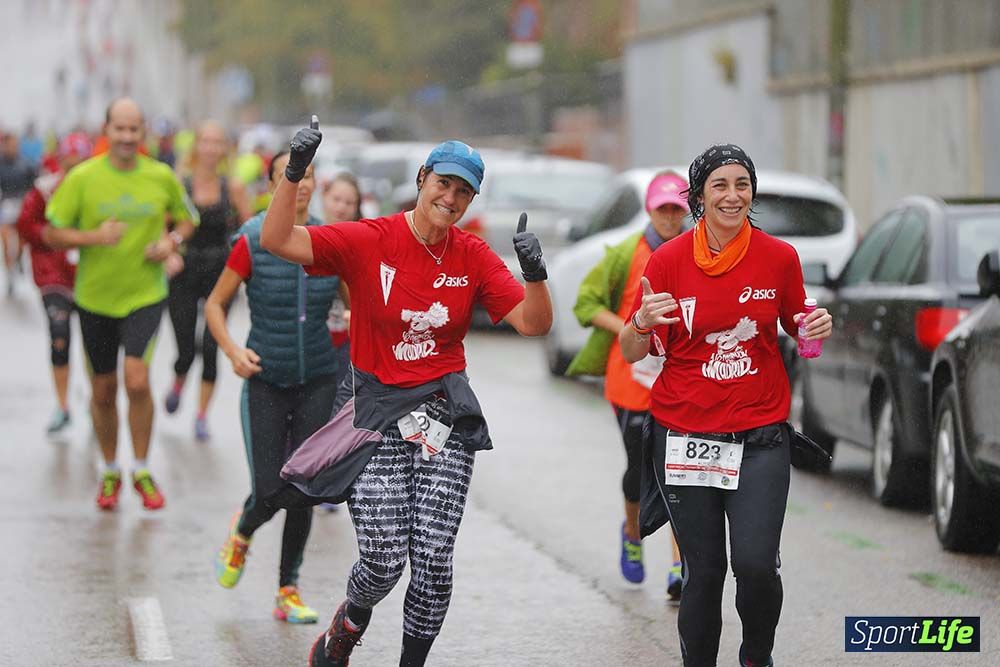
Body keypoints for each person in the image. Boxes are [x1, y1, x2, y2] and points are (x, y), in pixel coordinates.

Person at [260, 122, 552, 667]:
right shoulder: (370, 239)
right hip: (375, 413)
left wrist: (535, 275)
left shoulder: (473, 255)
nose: (451, 199)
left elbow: (533, 324)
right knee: (383, 559)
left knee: (434, 559)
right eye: (443, 184)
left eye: (464, 191)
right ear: (422, 179)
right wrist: (294, 172)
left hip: (443, 415)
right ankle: (349, 624)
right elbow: (278, 240)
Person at [619, 144, 833, 667]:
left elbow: (799, 325)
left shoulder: (779, 257)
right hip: (685, 436)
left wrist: (814, 326)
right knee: (704, 572)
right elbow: (630, 350)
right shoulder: (667, 261)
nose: (733, 196)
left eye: (742, 184)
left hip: (760, 436)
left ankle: (756, 657)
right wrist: (642, 322)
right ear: (699, 196)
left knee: (756, 567)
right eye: (720, 185)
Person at [205, 151, 341, 624]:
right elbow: (215, 305)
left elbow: (358, 303)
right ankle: (243, 530)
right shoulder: (251, 239)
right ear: (272, 186)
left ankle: (288, 589)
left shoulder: (329, 240)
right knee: (268, 489)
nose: (300, 184)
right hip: (266, 378)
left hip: (318, 379)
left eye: (307, 175)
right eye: (290, 176)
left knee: (303, 488)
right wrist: (232, 351)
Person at [46, 98, 199, 511]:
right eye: (120, 129)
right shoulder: (83, 177)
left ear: (143, 131)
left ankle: (142, 470)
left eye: (134, 129)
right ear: (107, 130)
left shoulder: (160, 175)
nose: (128, 137)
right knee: (103, 389)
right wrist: (92, 238)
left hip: (144, 295)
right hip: (94, 298)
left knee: (136, 380)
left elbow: (188, 219)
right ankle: (111, 470)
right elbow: (52, 232)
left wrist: (171, 241)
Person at [567, 170, 689, 602]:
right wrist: (629, 327)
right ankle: (633, 535)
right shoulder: (624, 254)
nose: (670, 217)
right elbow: (585, 303)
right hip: (631, 381)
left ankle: (679, 566)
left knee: (679, 472)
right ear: (650, 210)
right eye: (663, 209)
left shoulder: (696, 253)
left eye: (677, 209)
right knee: (639, 470)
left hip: (679, 381)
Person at [163, 120, 251, 441]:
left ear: (224, 149)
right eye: (206, 141)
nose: (211, 148)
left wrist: (247, 268)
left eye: (217, 142)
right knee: (186, 345)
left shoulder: (234, 187)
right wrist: (169, 252)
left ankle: (201, 415)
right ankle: (179, 379)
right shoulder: (179, 184)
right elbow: (161, 225)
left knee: (212, 346)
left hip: (221, 272)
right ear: (196, 146)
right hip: (185, 270)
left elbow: (250, 231)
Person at [15, 132, 92, 434]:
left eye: (82, 162)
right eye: (71, 161)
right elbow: (25, 225)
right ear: (61, 159)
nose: (76, 167)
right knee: (59, 336)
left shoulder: (97, 188)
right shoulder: (45, 189)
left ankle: (96, 401)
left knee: (95, 343)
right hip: (53, 275)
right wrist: (50, 236)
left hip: (90, 275)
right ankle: (63, 406)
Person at [1, 130, 38, 296]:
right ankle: (10, 275)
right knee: (6, 243)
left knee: (21, 241)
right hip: (5, 206)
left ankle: (18, 260)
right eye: (9, 145)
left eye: (15, 145)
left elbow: (33, 186)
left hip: (22, 205)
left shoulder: (26, 164)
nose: (12, 148)